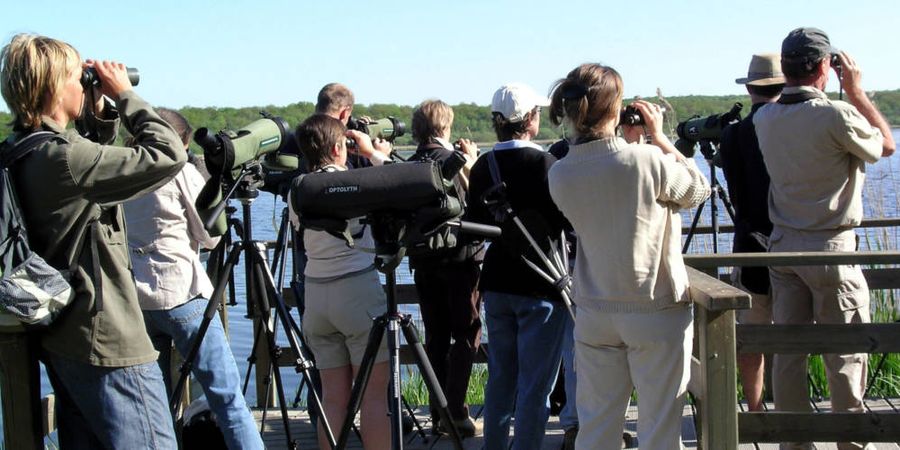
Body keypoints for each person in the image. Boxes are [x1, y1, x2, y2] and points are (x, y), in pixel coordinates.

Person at [0, 34, 187, 448]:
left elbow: (89, 172)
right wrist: (126, 97)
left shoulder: (21, 150)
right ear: (53, 86)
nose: (83, 83)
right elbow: (169, 154)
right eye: (75, 76)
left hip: (65, 333)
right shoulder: (66, 157)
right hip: (108, 340)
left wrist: (98, 112)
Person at [547, 63, 710, 450]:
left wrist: (633, 143)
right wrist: (660, 138)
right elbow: (697, 191)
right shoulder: (646, 161)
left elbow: (606, 175)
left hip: (594, 311)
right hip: (654, 309)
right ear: (615, 110)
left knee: (597, 427)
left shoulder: (560, 173)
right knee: (660, 426)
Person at [754, 27, 895, 450]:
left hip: (782, 250)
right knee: (845, 352)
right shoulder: (835, 115)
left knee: (789, 353)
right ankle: (849, 442)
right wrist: (855, 90)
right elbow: (885, 145)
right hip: (831, 250)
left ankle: (793, 443)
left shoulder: (765, 118)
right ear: (823, 68)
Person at [123, 108, 264, 449]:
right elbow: (211, 237)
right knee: (227, 397)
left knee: (154, 404)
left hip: (136, 300)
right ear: (181, 142)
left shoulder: (123, 172)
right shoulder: (180, 172)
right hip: (181, 293)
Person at [465, 82, 568, 450]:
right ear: (530, 119)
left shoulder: (483, 166)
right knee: (534, 387)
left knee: (500, 380)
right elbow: (568, 223)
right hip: (541, 283)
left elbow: (474, 223)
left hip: (497, 282)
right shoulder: (548, 165)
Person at [292, 113, 391, 450]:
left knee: (332, 399)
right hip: (357, 291)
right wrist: (373, 152)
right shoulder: (355, 184)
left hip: (317, 296)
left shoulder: (298, 190)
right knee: (374, 398)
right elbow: (399, 183)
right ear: (339, 147)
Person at [407, 99, 483, 436]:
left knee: (435, 338)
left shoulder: (409, 165)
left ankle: (438, 413)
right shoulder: (451, 160)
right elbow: (477, 205)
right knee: (466, 335)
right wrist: (471, 164)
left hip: (423, 263)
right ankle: (457, 413)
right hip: (460, 262)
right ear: (445, 126)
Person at [719, 53, 784, 412]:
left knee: (751, 334)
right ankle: (792, 406)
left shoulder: (734, 135)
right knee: (796, 335)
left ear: (751, 87)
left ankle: (755, 407)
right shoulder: (791, 128)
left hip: (749, 245)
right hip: (794, 244)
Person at [315, 82, 391, 168]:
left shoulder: (301, 136)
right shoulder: (341, 144)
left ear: (317, 107)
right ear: (344, 112)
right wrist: (377, 154)